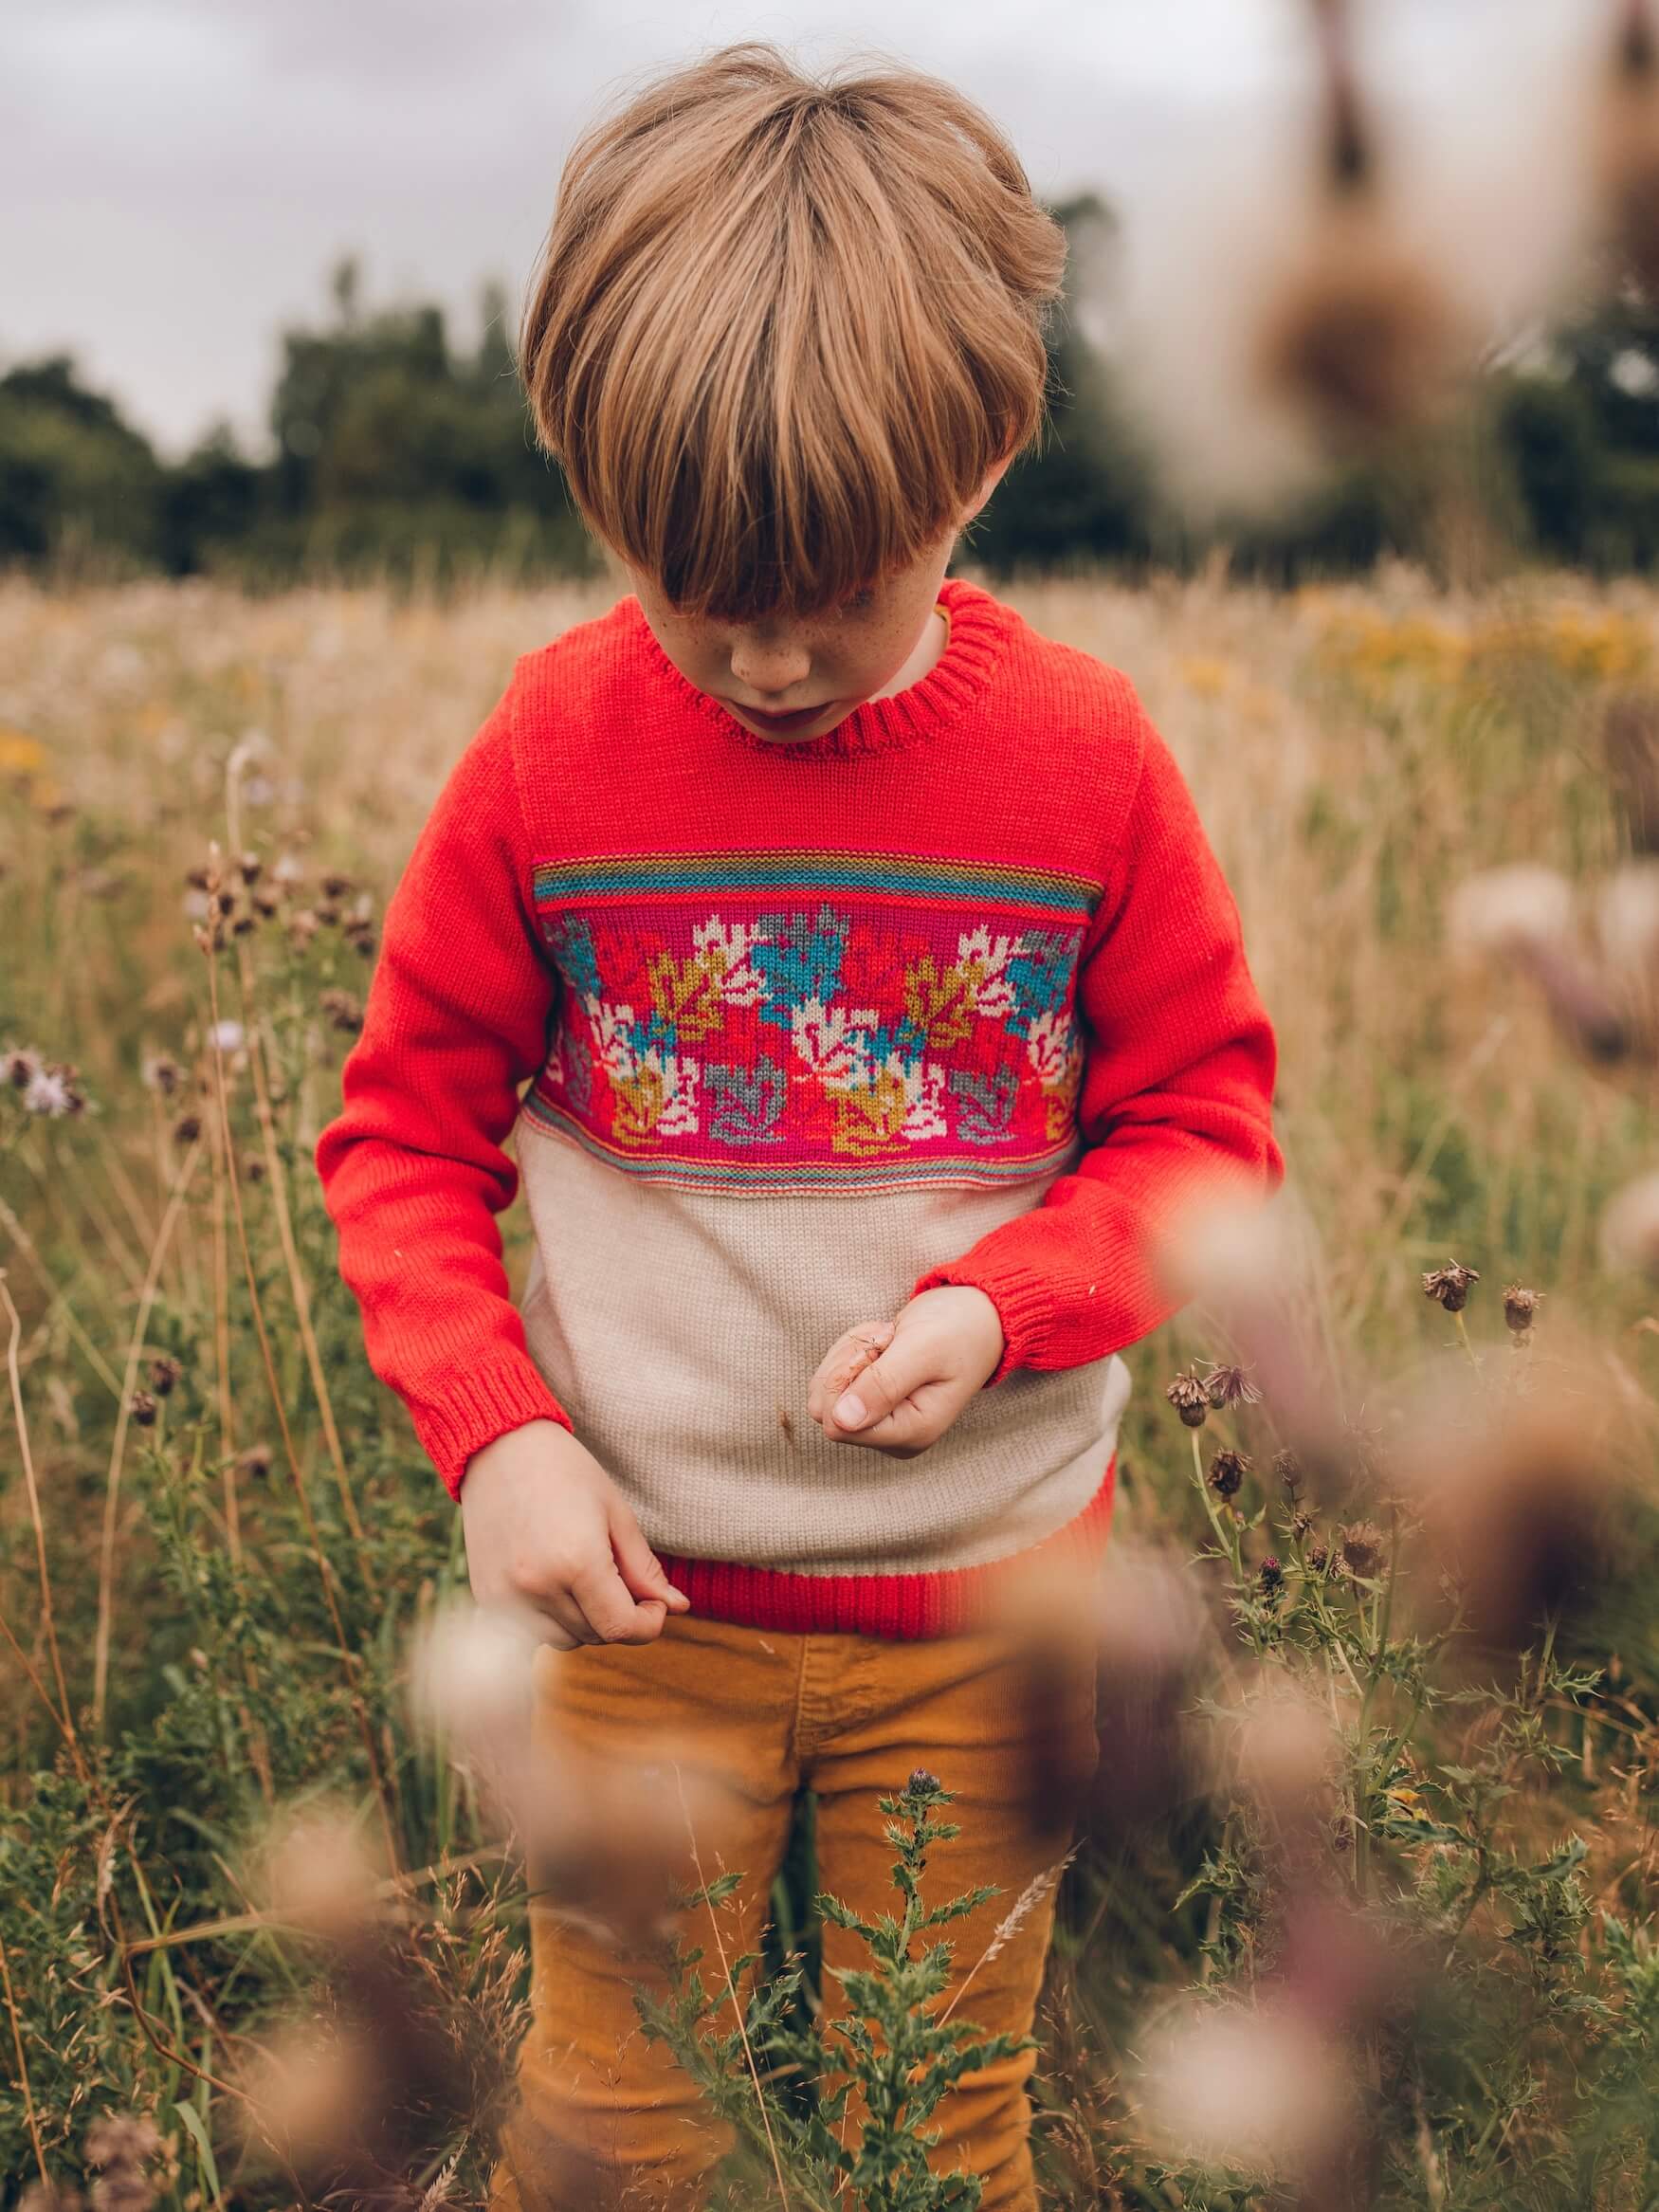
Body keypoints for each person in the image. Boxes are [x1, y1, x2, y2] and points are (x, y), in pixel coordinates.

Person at [316, 43, 1282, 2212]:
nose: (760, 663)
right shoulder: (553, 759)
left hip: (992, 1609)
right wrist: (500, 1430)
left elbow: (1201, 1124)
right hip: (634, 1609)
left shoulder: (1084, 762)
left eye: (826, 596)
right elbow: (399, 1135)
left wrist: (1007, 1304)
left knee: (937, 2130)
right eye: (692, 593)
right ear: (591, 489)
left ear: (977, 463)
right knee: (617, 2133)